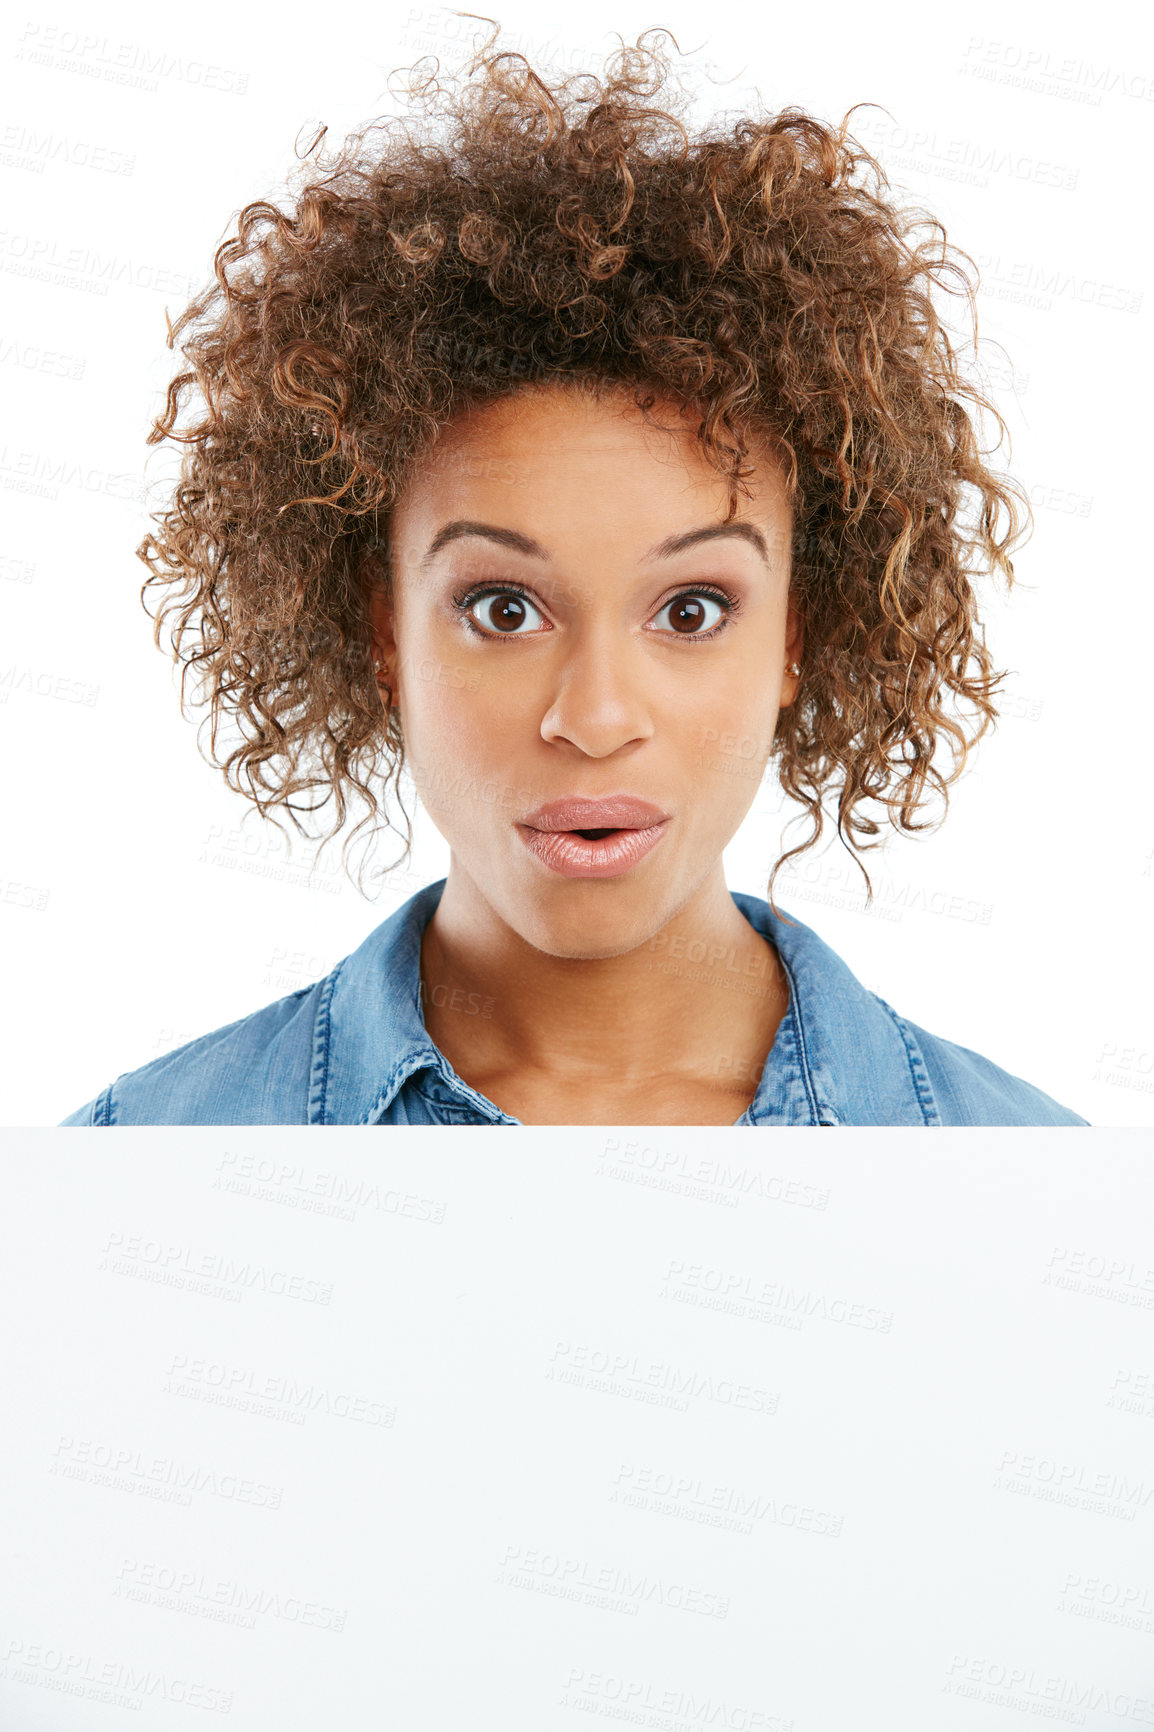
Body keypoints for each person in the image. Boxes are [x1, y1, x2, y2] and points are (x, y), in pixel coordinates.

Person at [60, 30, 1086, 1128]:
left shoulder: (1031, 1185)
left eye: (692, 610)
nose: (593, 718)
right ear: (380, 631)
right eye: (502, 609)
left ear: (798, 634)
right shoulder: (135, 1166)